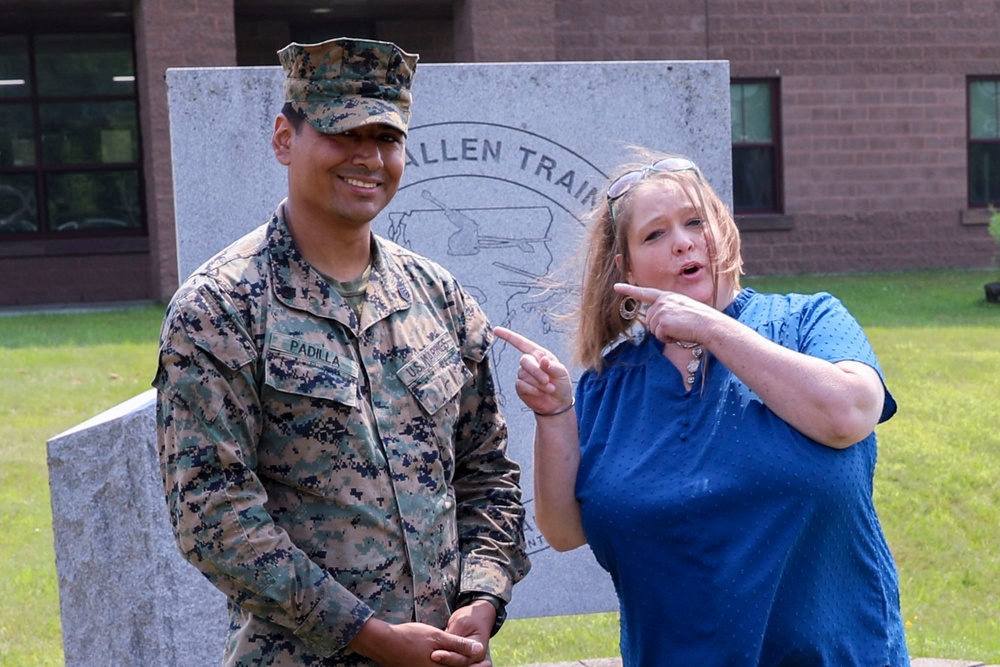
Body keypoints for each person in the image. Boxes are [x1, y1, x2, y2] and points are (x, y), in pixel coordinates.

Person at [153, 37, 529, 667]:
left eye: (386, 139)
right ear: (284, 138)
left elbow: (487, 473)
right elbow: (213, 515)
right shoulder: (221, 308)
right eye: (342, 133)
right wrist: (368, 635)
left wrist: (483, 598)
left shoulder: (438, 297)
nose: (369, 157)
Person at [494, 150, 909, 665]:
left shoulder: (810, 322)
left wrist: (710, 326)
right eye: (655, 234)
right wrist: (554, 414)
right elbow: (563, 531)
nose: (683, 241)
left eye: (695, 222)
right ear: (625, 266)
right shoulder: (610, 384)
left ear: (724, 231)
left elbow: (849, 414)